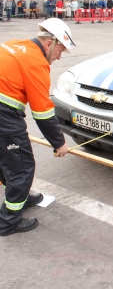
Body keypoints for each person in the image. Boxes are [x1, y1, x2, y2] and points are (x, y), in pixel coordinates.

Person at [0, 18, 76, 236]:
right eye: (61, 49)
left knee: (7, 160)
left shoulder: (15, 45)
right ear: (49, 43)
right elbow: (42, 112)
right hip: (3, 115)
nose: (60, 56)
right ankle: (8, 222)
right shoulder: (36, 62)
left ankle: (19, 196)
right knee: (22, 168)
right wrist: (59, 144)